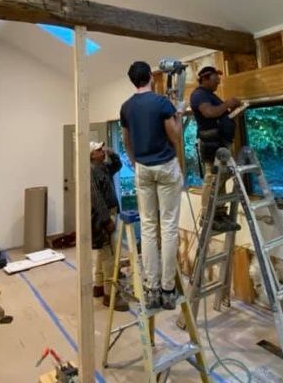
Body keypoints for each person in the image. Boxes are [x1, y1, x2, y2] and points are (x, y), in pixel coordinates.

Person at [120, 61, 184, 311]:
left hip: (143, 169)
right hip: (165, 167)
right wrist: (178, 112)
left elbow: (127, 142)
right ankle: (168, 289)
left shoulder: (126, 107)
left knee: (147, 228)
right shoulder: (161, 103)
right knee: (167, 227)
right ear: (150, 77)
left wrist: (137, 164)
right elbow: (175, 136)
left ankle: (151, 287)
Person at [190, 65, 242, 232]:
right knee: (212, 178)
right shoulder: (198, 95)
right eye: (215, 80)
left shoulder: (211, 95)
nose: (218, 83)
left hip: (220, 142)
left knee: (221, 176)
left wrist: (231, 111)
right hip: (211, 144)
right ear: (205, 78)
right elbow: (209, 113)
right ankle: (207, 215)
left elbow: (219, 114)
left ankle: (218, 213)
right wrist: (227, 103)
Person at [89, 140, 128, 312]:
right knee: (109, 256)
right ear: (92, 155)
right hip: (102, 218)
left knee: (102, 253)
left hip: (110, 213)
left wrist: (111, 152)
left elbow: (118, 164)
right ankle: (110, 295)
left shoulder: (103, 168)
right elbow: (97, 200)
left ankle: (98, 286)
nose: (102, 151)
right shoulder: (91, 173)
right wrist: (106, 221)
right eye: (99, 150)